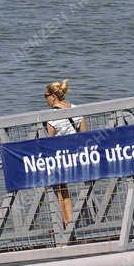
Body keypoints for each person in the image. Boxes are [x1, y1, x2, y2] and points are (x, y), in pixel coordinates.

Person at [43, 80, 88, 227]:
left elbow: (49, 143)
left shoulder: (51, 117)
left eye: (46, 96)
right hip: (78, 156)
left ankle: (66, 222)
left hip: (61, 159)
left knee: (61, 190)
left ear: (53, 97)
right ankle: (72, 220)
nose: (45, 99)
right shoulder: (76, 109)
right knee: (80, 187)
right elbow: (85, 134)